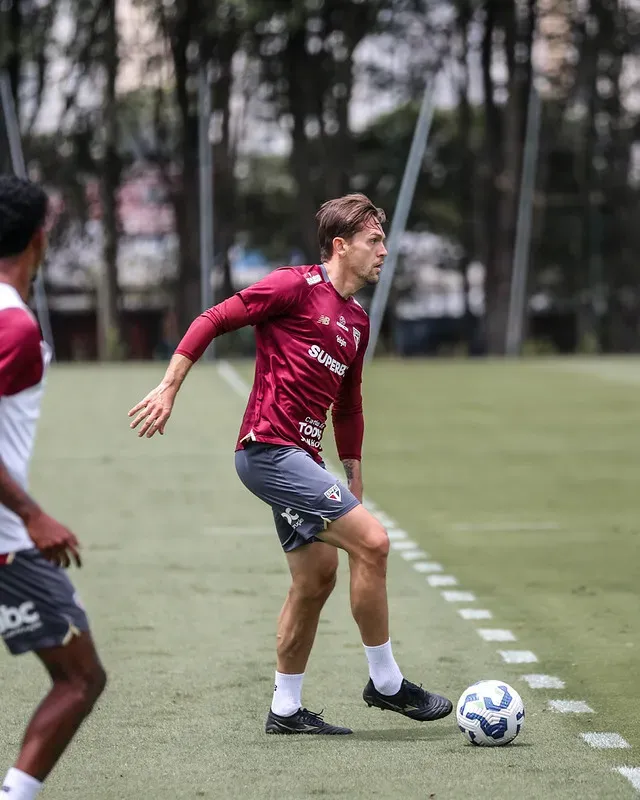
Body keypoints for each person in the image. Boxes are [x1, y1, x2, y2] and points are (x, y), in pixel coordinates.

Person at [129, 193, 452, 734]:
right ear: (340, 246)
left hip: (303, 456)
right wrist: (169, 387)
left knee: (316, 578)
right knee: (373, 543)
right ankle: (387, 683)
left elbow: (349, 403)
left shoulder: (356, 321)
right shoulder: (292, 287)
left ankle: (285, 709)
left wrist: (352, 468)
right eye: (374, 241)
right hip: (267, 449)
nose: (384, 251)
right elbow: (212, 319)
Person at [0, 175, 107, 797]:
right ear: (40, 239)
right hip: (6, 543)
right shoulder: (13, 328)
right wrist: (32, 515)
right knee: (80, 678)